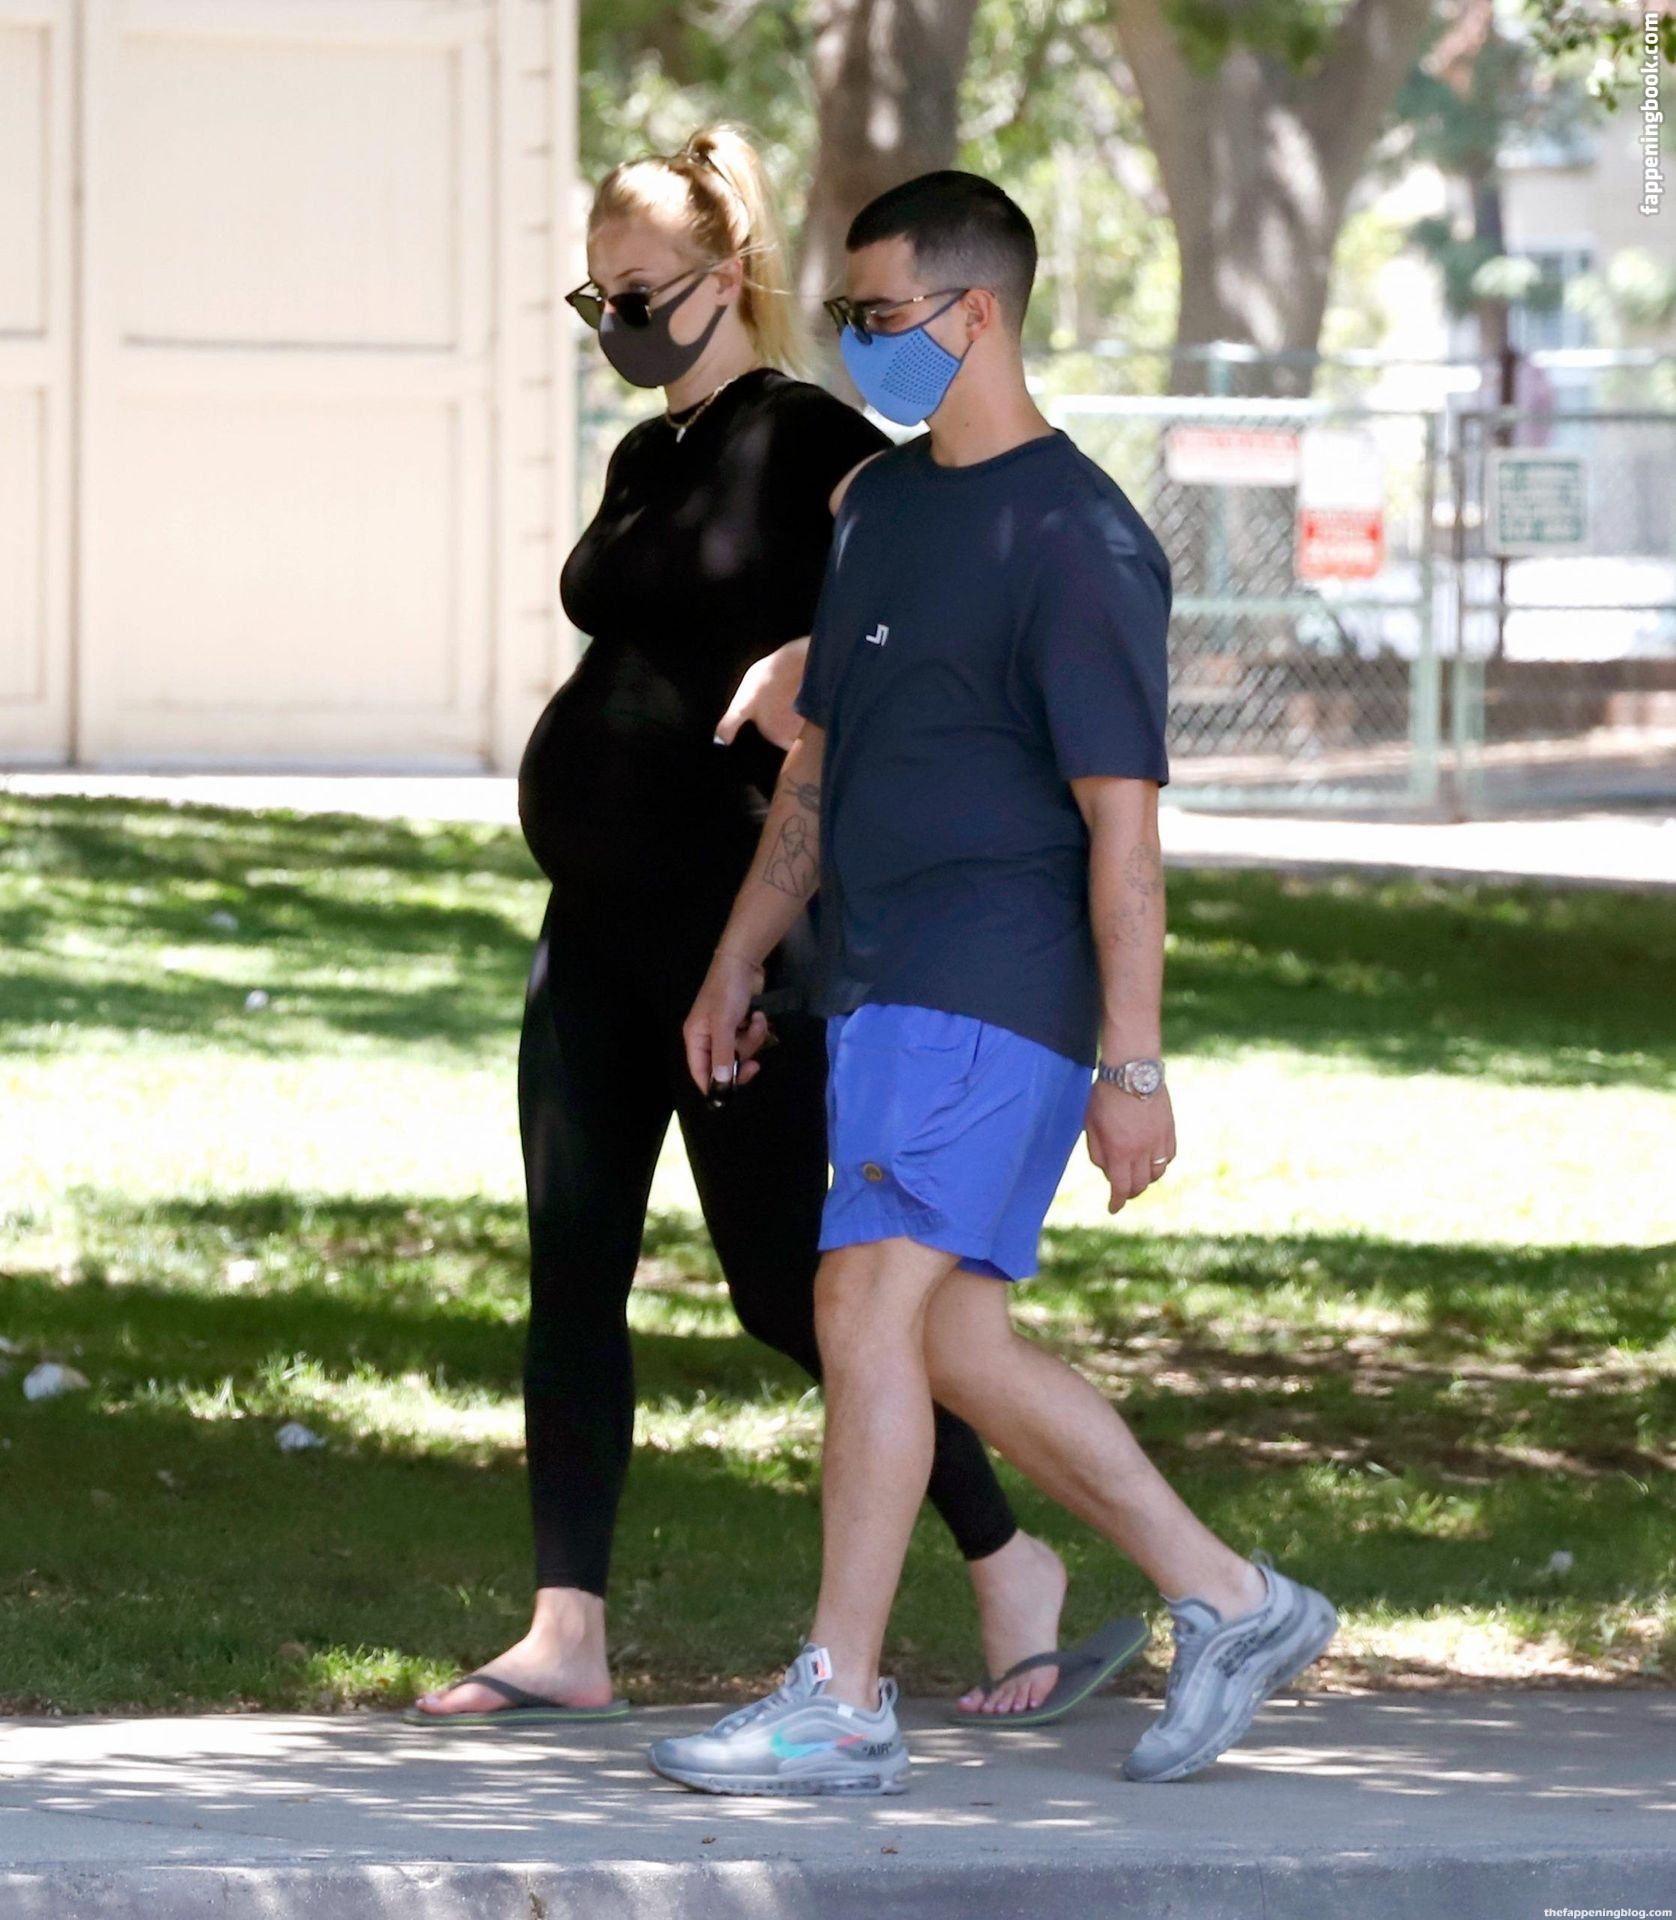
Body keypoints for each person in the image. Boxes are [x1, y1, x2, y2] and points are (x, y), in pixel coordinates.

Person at [407, 129, 1116, 1728]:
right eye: (596, 294)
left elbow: (932, 564)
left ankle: (1011, 1562)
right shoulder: (644, 455)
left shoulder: (807, 437)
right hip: (594, 929)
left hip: (738, 936)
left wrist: (815, 651)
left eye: (640, 290)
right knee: (572, 1269)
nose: (616, 319)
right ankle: (567, 1630)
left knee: (794, 1292)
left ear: (725, 277)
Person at [658, 170, 1339, 1795]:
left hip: (997, 985)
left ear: (976, 314)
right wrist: (741, 950)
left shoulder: (1080, 539)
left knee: (857, 1301)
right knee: (953, 1340)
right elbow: (821, 761)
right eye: (846, 314)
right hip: (881, 983)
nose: (858, 341)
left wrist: (1135, 1066)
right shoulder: (880, 510)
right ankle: (1234, 1600)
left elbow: (1126, 831)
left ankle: (839, 1698)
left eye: (880, 314)